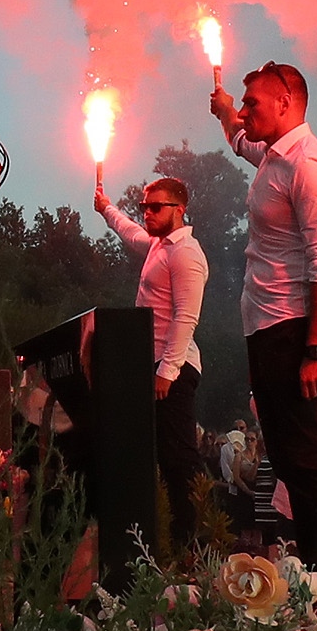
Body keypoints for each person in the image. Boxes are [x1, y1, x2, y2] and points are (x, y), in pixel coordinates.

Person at [207, 59, 317, 604]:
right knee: (290, 459)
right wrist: (228, 116)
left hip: (299, 328)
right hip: (268, 326)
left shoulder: (312, 164)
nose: (246, 112)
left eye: (253, 103)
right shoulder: (275, 158)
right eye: (244, 104)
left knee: (315, 456)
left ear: (286, 103)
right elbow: (242, 144)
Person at [93, 168, 211, 556]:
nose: (146, 213)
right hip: (153, 366)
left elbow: (186, 317)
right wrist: (107, 209)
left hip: (171, 368)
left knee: (178, 457)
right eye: (144, 206)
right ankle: (162, 539)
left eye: (155, 207)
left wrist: (166, 372)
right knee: (156, 456)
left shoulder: (187, 255)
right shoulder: (161, 247)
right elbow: (130, 233)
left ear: (180, 209)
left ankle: (192, 541)